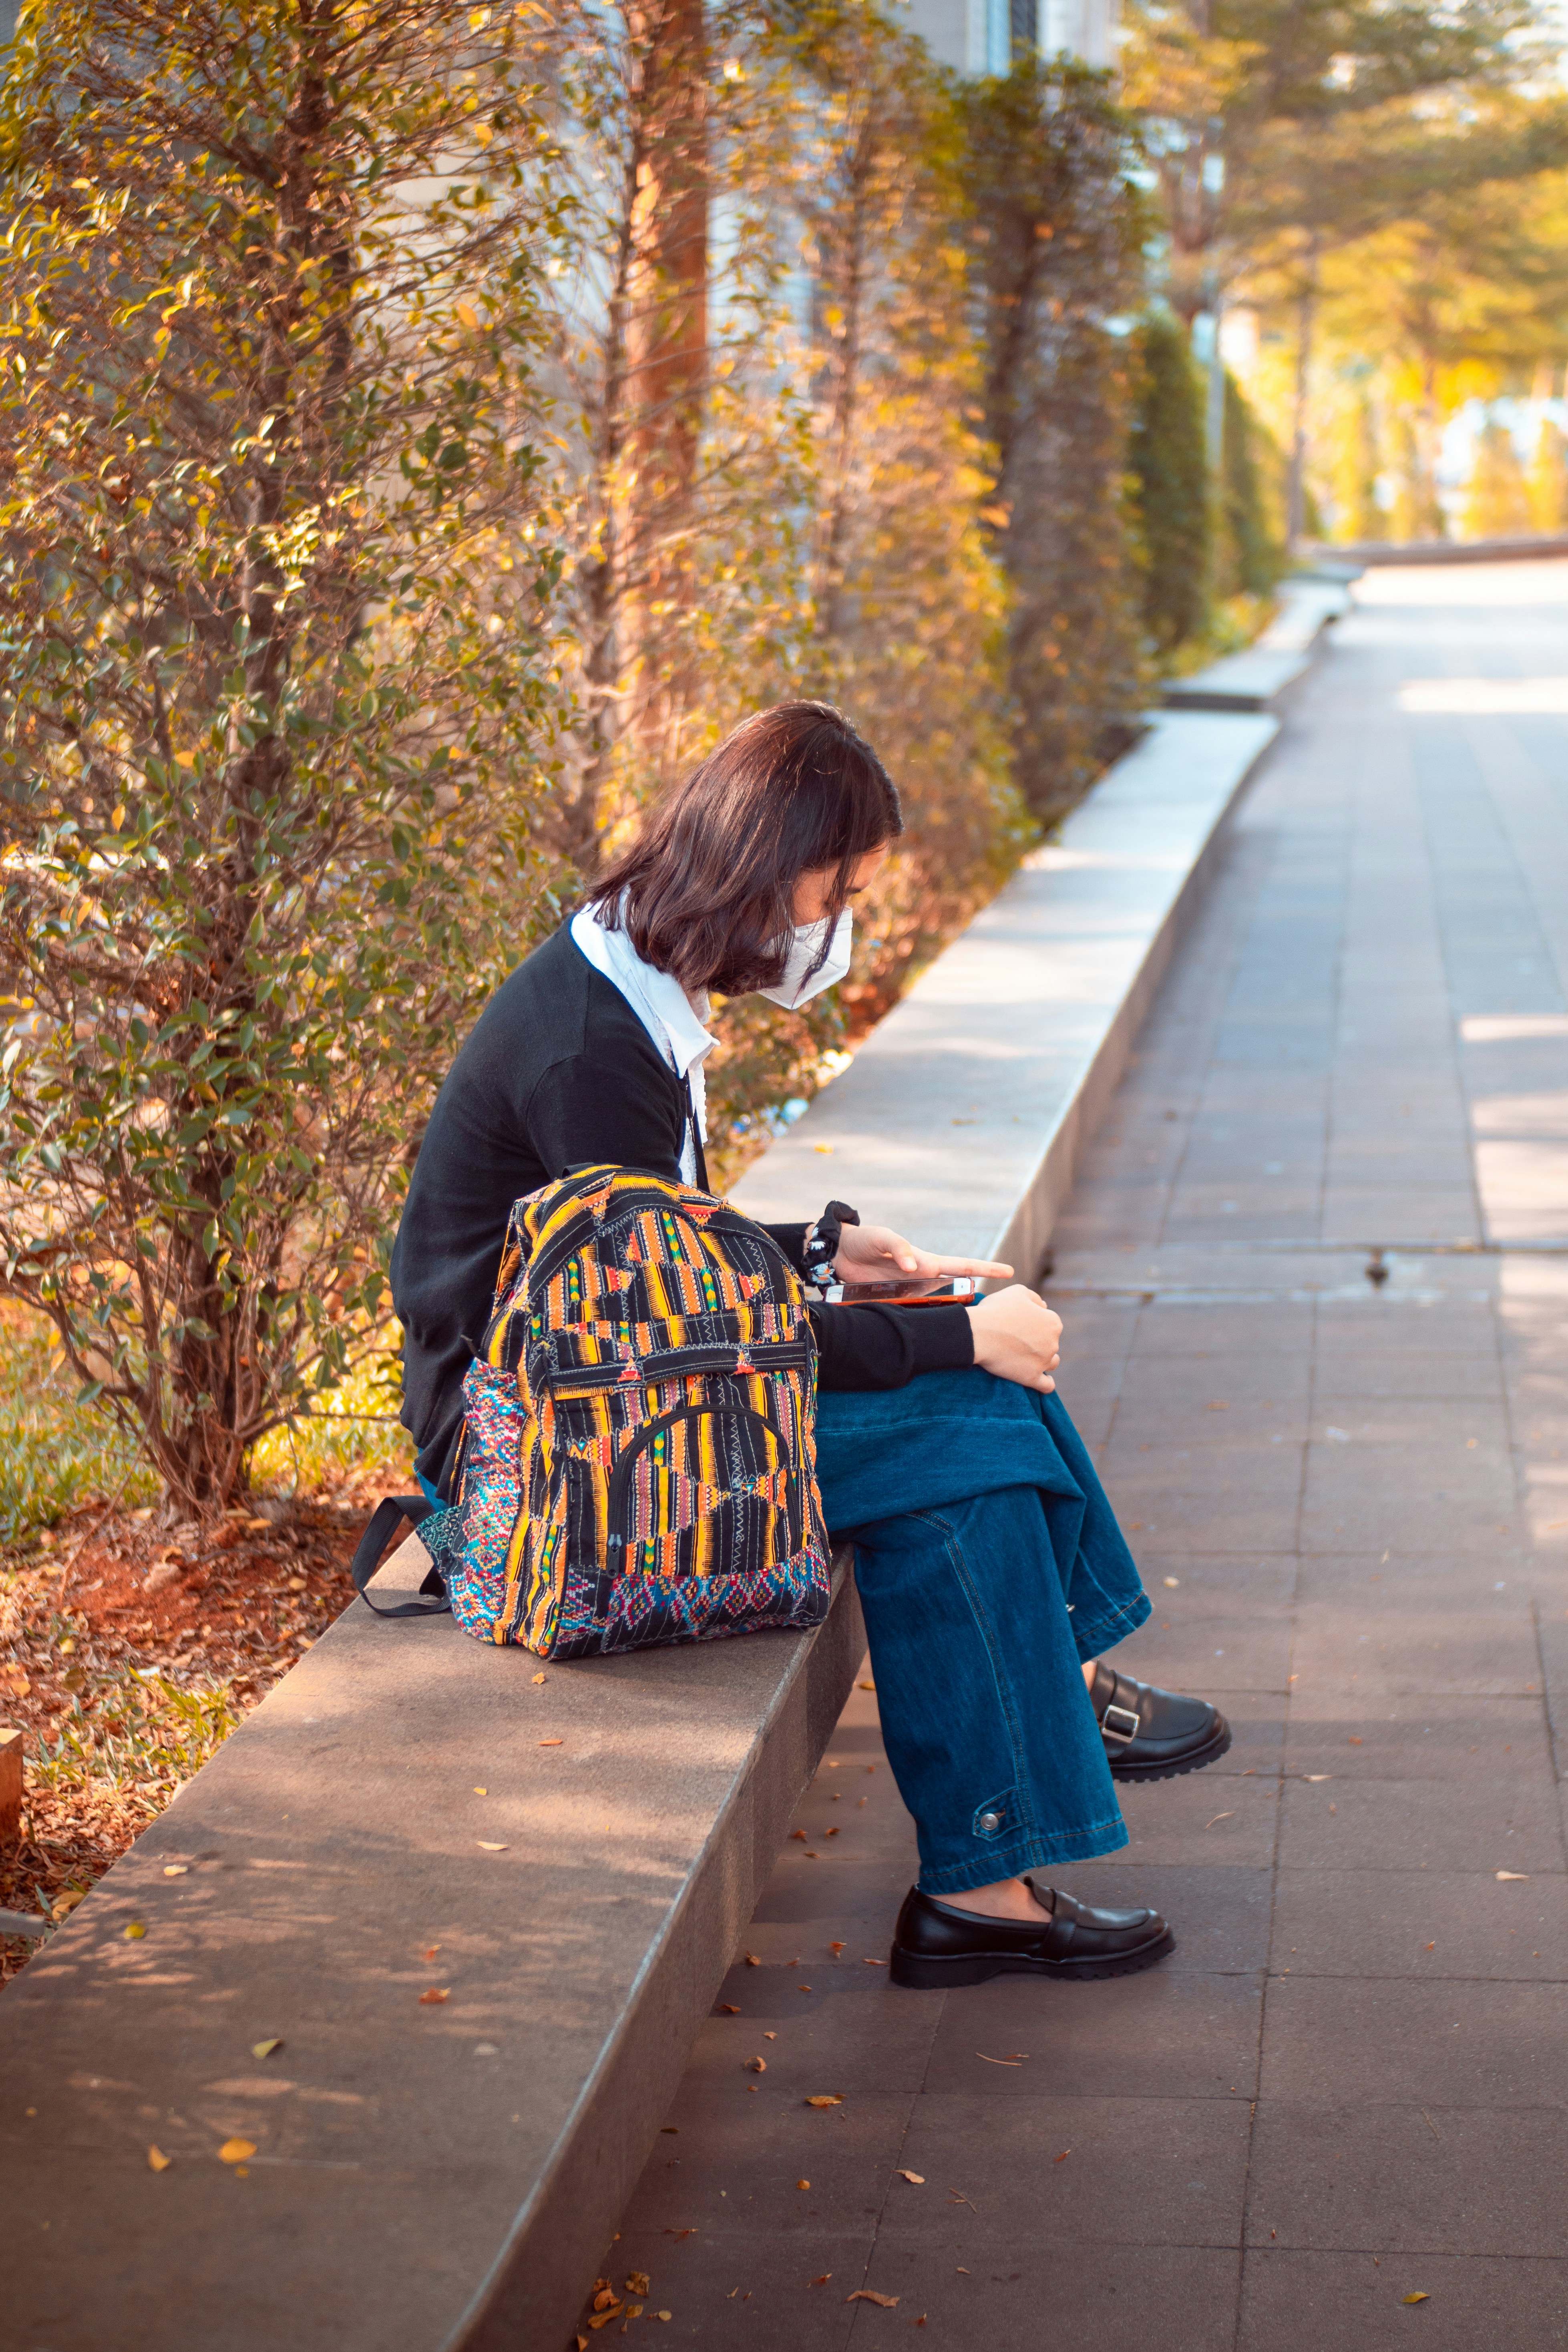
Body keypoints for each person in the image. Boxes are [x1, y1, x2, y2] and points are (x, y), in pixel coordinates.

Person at [392, 702, 1230, 1988]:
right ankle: (1009, 1811)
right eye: (836, 887)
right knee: (976, 1414)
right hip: (538, 1473)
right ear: (762, 861)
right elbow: (675, 1350)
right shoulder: (594, 1049)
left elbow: (657, 1275)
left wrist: (831, 1254)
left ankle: (996, 1851)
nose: (835, 923)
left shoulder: (627, 985)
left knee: (968, 1441)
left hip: (592, 1408)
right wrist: (954, 1337)